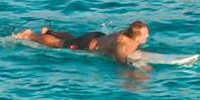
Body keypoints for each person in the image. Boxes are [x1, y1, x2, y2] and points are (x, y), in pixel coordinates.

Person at [14, 20, 153, 66]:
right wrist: (131, 68)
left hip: (97, 37)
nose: (148, 36)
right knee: (58, 44)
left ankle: (50, 31)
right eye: (145, 34)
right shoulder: (121, 42)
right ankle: (30, 35)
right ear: (135, 37)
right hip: (88, 44)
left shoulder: (128, 34)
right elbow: (120, 57)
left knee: (71, 38)